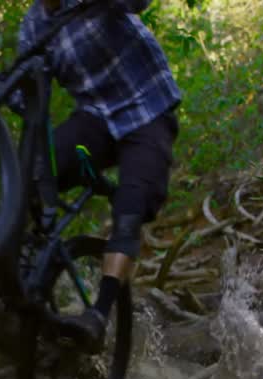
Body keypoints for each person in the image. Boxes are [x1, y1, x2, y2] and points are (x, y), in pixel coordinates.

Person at [18, 0, 181, 350]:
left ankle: (99, 315)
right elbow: (26, 95)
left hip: (148, 112)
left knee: (130, 210)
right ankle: (27, 273)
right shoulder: (33, 26)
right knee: (32, 171)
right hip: (96, 122)